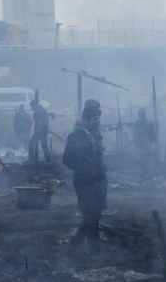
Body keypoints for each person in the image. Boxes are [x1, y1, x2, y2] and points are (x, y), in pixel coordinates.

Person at [63, 107, 106, 252]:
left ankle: (94, 246)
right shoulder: (76, 135)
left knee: (97, 214)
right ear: (86, 119)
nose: (97, 122)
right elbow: (67, 159)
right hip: (83, 181)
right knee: (90, 215)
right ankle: (75, 244)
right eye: (95, 119)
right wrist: (84, 169)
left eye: (98, 119)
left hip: (96, 179)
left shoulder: (91, 133)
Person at [134, 108, 158, 179]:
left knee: (144, 160)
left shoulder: (140, 123)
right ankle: (145, 174)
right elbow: (153, 136)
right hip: (143, 145)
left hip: (144, 145)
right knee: (144, 160)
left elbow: (152, 135)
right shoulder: (141, 123)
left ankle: (145, 174)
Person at [28, 99, 51, 164]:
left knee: (31, 144)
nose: (31, 108)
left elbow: (42, 122)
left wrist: (38, 129)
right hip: (41, 131)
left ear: (35, 105)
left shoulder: (40, 111)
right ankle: (48, 160)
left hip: (41, 131)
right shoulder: (39, 111)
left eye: (32, 106)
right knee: (44, 146)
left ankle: (32, 159)